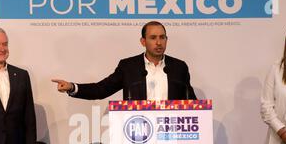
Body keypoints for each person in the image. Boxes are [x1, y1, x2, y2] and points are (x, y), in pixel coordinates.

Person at [53, 21, 195, 101]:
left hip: (172, 138)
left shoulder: (179, 67)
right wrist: (72, 87)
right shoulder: (128, 67)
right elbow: (101, 89)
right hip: (139, 137)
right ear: (143, 41)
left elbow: (191, 101)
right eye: (153, 38)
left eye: (162, 37)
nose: (158, 42)